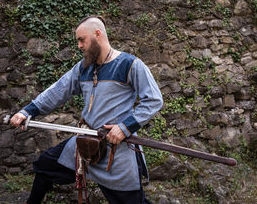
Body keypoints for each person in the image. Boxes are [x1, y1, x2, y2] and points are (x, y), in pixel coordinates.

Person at [10, 15, 163, 204]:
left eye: (82, 40)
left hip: (116, 152)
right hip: (84, 143)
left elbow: (154, 100)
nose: (79, 46)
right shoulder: (83, 68)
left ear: (97, 34)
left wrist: (124, 127)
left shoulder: (130, 64)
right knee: (45, 166)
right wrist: (28, 111)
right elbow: (57, 91)